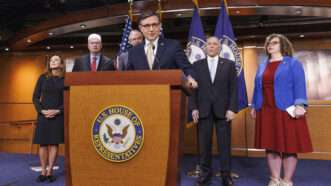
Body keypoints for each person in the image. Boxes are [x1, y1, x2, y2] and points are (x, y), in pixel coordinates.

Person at [250, 33, 313, 186]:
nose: (270, 45)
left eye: (274, 42)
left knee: (289, 146)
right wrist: (254, 106)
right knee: (270, 145)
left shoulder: (292, 63)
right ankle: (274, 178)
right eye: (268, 43)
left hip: (287, 109)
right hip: (266, 109)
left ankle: (286, 180)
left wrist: (300, 104)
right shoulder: (262, 65)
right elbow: (258, 88)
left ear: (282, 45)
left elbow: (299, 85)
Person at [191, 36, 238, 186]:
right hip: (203, 110)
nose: (211, 46)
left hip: (223, 112)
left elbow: (234, 89)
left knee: (224, 145)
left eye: (214, 44)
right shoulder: (197, 65)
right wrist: (193, 108)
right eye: (209, 44)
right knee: (204, 145)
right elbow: (193, 90)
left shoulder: (229, 65)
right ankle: (205, 174)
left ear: (219, 48)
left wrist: (232, 108)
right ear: (205, 48)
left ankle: (226, 175)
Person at [127, 11, 197, 87]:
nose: (151, 29)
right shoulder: (133, 52)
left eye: (154, 25)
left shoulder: (173, 46)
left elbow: (187, 68)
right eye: (147, 25)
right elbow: (128, 76)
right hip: (142, 95)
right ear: (141, 28)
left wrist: (190, 78)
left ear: (160, 26)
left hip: (169, 94)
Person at [32, 55, 65, 183]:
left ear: (61, 64)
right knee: (43, 143)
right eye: (51, 60)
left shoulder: (64, 79)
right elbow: (35, 97)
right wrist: (42, 111)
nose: (53, 62)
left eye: (56, 60)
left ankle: (50, 171)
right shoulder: (43, 77)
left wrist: (58, 111)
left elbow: (68, 99)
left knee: (53, 143)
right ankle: (43, 171)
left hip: (58, 115)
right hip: (43, 115)